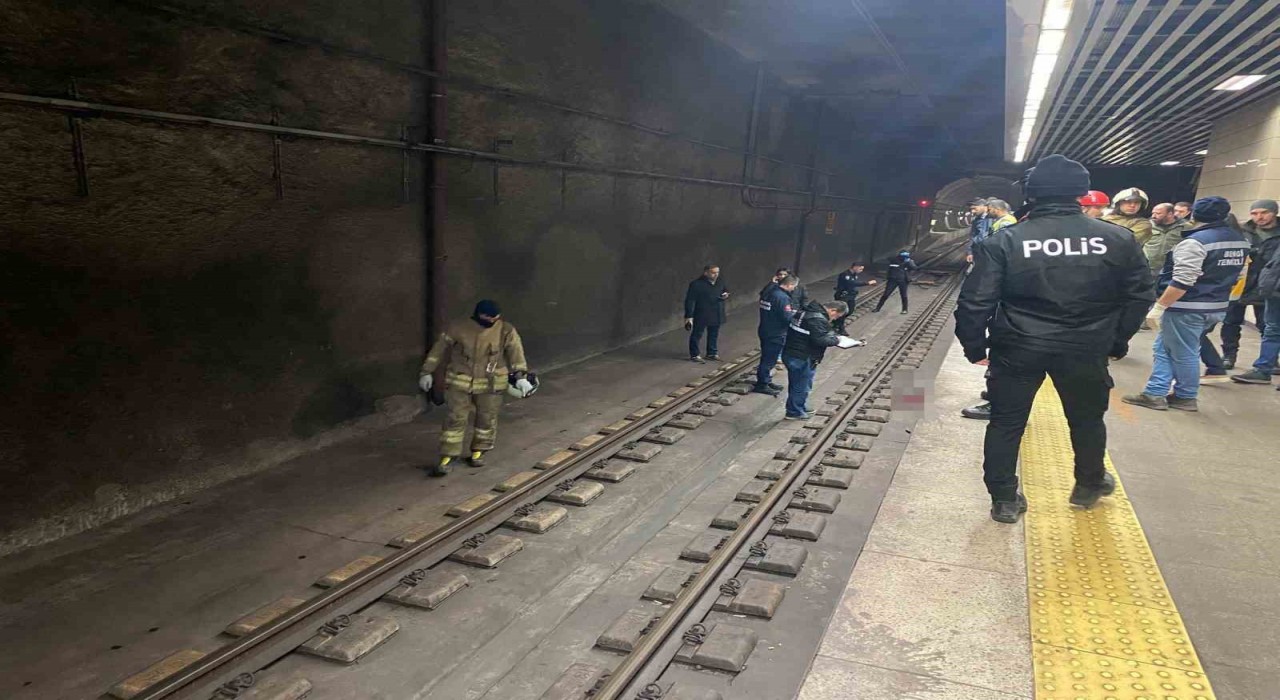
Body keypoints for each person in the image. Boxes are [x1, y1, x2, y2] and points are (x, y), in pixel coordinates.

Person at [955, 154, 1153, 523]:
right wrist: (1117, 340)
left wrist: (974, 346)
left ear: (1032, 193)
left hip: (1018, 347)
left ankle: (1004, 499)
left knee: (1006, 422)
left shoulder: (1006, 241)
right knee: (1087, 419)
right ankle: (1089, 484)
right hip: (1085, 347)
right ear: (1081, 192)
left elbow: (975, 300)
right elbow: (1140, 295)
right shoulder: (1118, 239)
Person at [1123, 197, 1248, 411]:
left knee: (1184, 352)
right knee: (1165, 347)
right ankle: (1155, 391)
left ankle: (1185, 396)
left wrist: (1160, 307)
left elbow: (1183, 280)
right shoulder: (1239, 240)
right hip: (1216, 304)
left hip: (1187, 306)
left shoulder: (1196, 242)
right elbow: (1239, 275)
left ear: (1194, 214)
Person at [418, 300, 534, 476]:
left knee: (487, 419)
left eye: (496, 317)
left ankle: (479, 451)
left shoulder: (506, 330)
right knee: (455, 418)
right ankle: (448, 455)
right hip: (460, 382)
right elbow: (438, 350)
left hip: (491, 384)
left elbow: (516, 354)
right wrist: (426, 372)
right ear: (479, 314)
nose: (492, 320)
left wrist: (520, 377)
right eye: (489, 317)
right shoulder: (458, 328)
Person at [1221, 200, 1278, 371]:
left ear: (1274, 212)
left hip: (1268, 284)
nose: (1259, 217)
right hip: (1241, 283)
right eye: (1254, 213)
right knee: (1230, 322)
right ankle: (1229, 355)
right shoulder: (1242, 231)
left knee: (1267, 326)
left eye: (1264, 212)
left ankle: (1269, 360)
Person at [782, 299, 862, 419]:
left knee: (799, 383)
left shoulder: (805, 311)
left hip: (792, 352)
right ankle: (794, 412)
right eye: (837, 316)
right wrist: (838, 340)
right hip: (802, 355)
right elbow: (821, 340)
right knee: (801, 385)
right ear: (833, 310)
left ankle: (799, 405)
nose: (834, 319)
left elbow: (816, 333)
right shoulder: (817, 319)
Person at [1139, 203, 1191, 331]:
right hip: (1148, 266)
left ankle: (1156, 319)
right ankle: (1142, 319)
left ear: (1170, 214)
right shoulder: (1147, 225)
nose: (1154, 215)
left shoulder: (1185, 227)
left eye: (1158, 213)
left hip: (1170, 269)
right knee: (1145, 295)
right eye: (1153, 212)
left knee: (1163, 295)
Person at [754, 274, 799, 396]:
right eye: (794, 286)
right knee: (769, 360)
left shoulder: (768, 292)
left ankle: (766, 380)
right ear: (789, 285)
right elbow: (786, 317)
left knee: (766, 357)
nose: (794, 289)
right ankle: (762, 384)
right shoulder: (782, 297)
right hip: (776, 333)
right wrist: (794, 315)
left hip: (765, 328)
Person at [684, 265, 730, 363]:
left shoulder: (720, 281)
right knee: (697, 334)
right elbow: (690, 300)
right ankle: (695, 354)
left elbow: (725, 290)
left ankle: (712, 353)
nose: (716, 275)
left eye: (717, 272)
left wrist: (726, 294)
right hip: (702, 313)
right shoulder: (696, 284)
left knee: (714, 334)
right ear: (706, 273)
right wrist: (689, 316)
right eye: (713, 272)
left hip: (717, 312)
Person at [833, 262, 876, 333]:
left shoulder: (854, 274)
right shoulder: (845, 274)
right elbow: (852, 283)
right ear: (855, 267)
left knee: (850, 311)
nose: (861, 271)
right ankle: (841, 328)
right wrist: (867, 283)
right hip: (843, 295)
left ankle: (836, 321)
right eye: (860, 269)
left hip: (851, 295)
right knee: (843, 312)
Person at [967, 198, 991, 264]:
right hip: (979, 252)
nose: (972, 211)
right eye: (971, 209)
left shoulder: (993, 218)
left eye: (974, 208)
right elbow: (972, 236)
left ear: (984, 206)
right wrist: (970, 252)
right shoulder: (976, 220)